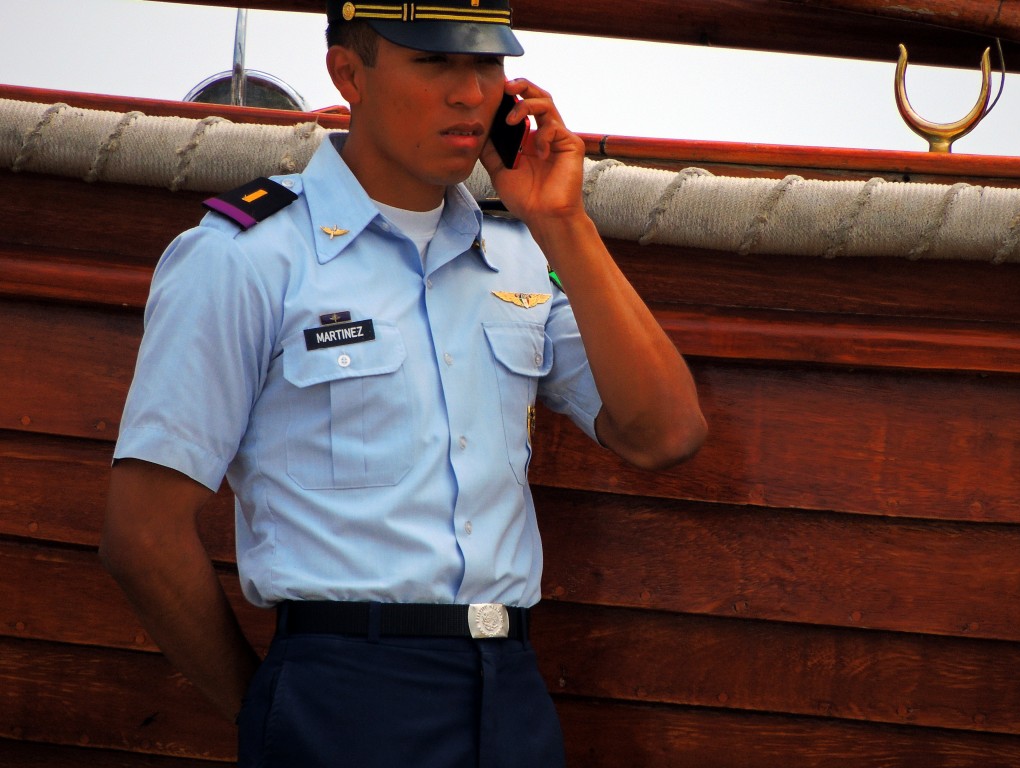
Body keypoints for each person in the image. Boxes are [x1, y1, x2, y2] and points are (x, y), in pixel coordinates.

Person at [100, 1, 707, 765]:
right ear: (348, 74)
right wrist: (264, 714)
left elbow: (667, 435)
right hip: (343, 696)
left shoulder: (520, 254)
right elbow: (141, 533)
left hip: (511, 689)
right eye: (434, 62)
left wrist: (565, 225)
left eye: (487, 65)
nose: (469, 93)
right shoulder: (246, 256)